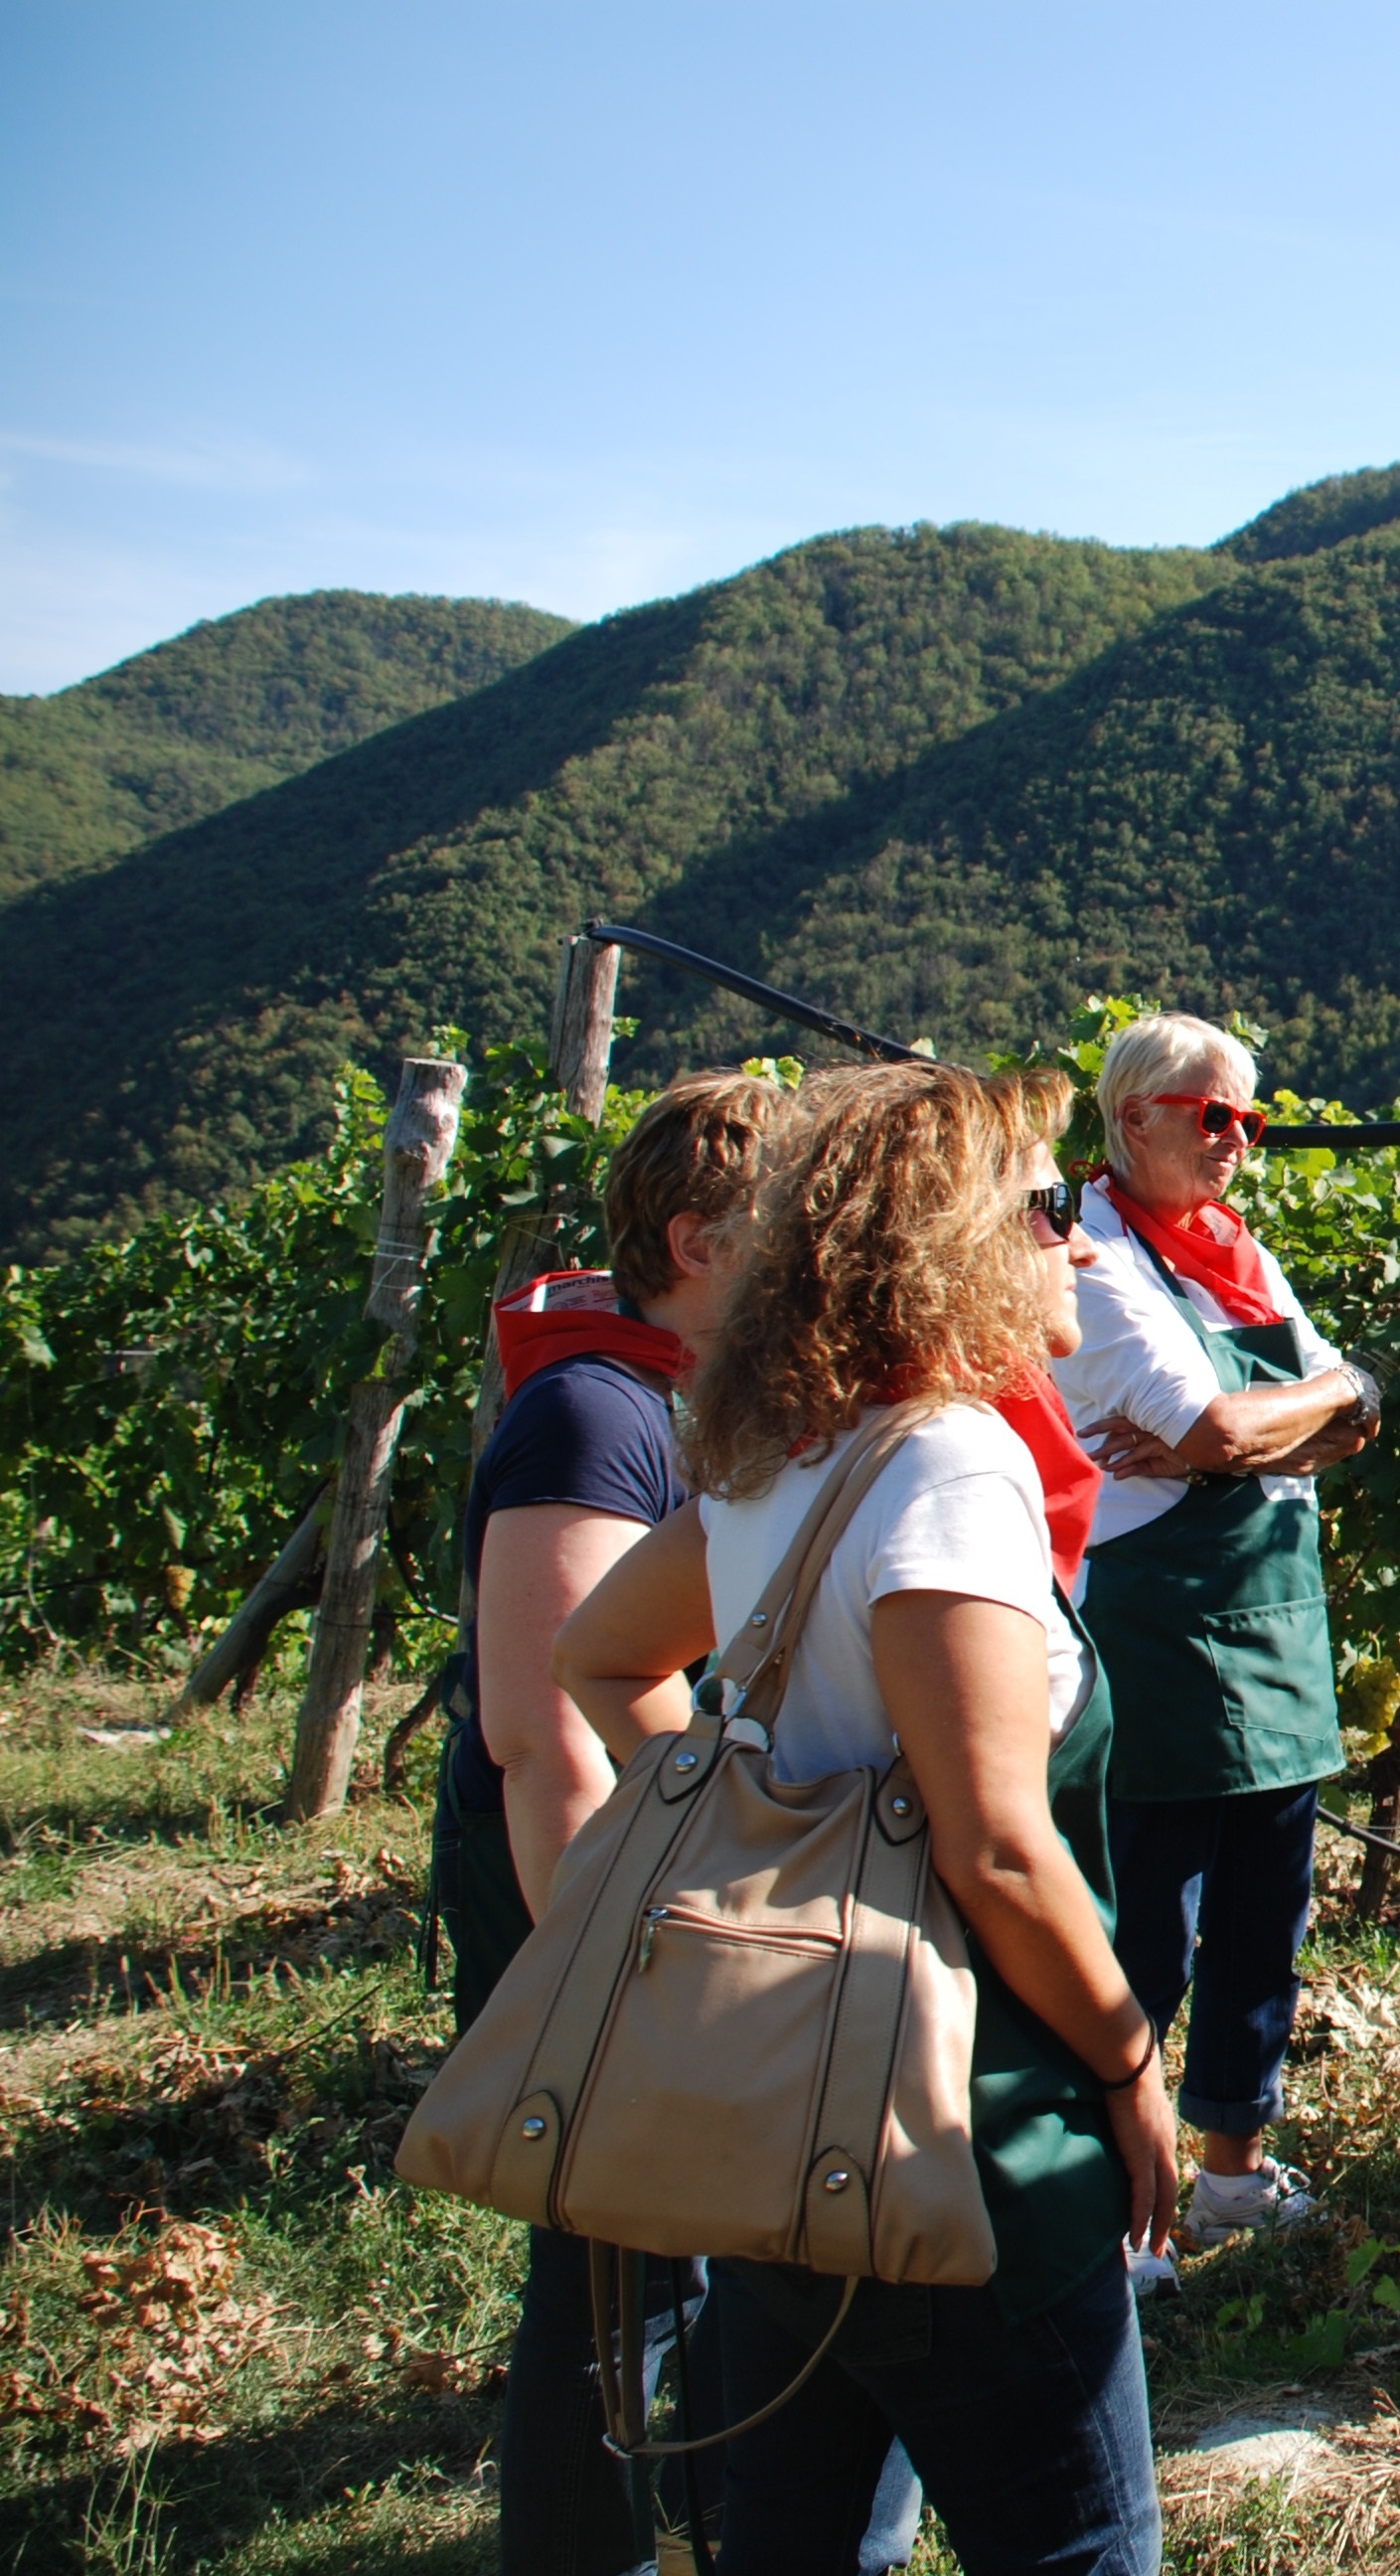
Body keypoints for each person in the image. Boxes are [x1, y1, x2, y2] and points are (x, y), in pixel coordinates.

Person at [554, 1061, 1187, 2576]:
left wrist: (754, 1853)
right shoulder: (949, 1463)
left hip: (778, 2127)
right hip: (968, 2132)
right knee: (1082, 2548)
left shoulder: (782, 1457)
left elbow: (600, 1656)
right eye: (1049, 1207)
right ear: (949, 1235)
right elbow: (993, 1847)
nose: (1082, 1243)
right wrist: (1130, 2063)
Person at [428, 1070, 814, 2576]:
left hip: (647, 1867)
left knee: (663, 2255)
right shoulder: (595, 1413)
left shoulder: (678, 1394)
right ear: (701, 1239)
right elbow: (544, 1737)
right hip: (582, 1882)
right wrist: (608, 1978)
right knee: (609, 2262)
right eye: (787, 1225)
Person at [1048, 1013, 1376, 2263]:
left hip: (1275, 1617)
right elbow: (1218, 1435)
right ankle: (1117, 2212)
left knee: (1264, 1918)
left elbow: (1335, 1414)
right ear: (1131, 1119)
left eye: (1250, 1120)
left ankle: (1233, 2170)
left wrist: (1315, 1406)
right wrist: (1268, 1423)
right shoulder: (1091, 1259)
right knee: (1147, 1928)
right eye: (1210, 1116)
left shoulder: (1231, 1255)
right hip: (1160, 1628)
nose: (1236, 1141)